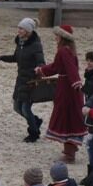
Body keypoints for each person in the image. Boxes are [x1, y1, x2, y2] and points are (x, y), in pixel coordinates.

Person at [35, 24, 87, 163]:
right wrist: (42, 70)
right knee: (68, 116)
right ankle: (70, 149)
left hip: (67, 89)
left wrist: (76, 83)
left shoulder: (64, 51)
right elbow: (57, 67)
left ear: (63, 37)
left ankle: (69, 153)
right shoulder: (68, 50)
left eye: (57, 36)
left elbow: (70, 69)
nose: (55, 38)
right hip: (67, 86)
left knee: (66, 117)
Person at [0, 17, 46, 142]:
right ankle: (35, 121)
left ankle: (34, 133)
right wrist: (1, 58)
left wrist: (39, 68)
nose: (19, 30)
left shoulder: (36, 45)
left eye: (21, 28)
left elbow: (41, 62)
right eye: (19, 28)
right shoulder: (20, 43)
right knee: (16, 107)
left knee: (25, 108)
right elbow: (15, 57)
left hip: (31, 81)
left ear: (28, 30)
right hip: (20, 80)